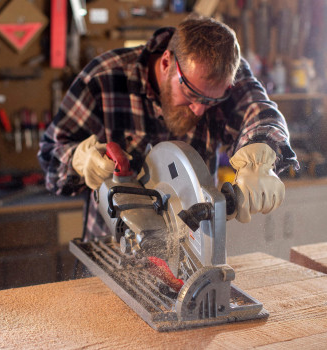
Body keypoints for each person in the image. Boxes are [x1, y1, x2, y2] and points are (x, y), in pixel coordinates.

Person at [38, 14, 299, 241]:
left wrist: (260, 156)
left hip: (191, 249)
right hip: (112, 248)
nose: (199, 109)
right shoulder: (105, 77)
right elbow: (51, 158)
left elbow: (259, 112)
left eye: (212, 101)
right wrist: (77, 160)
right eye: (191, 94)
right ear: (166, 63)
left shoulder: (226, 74)